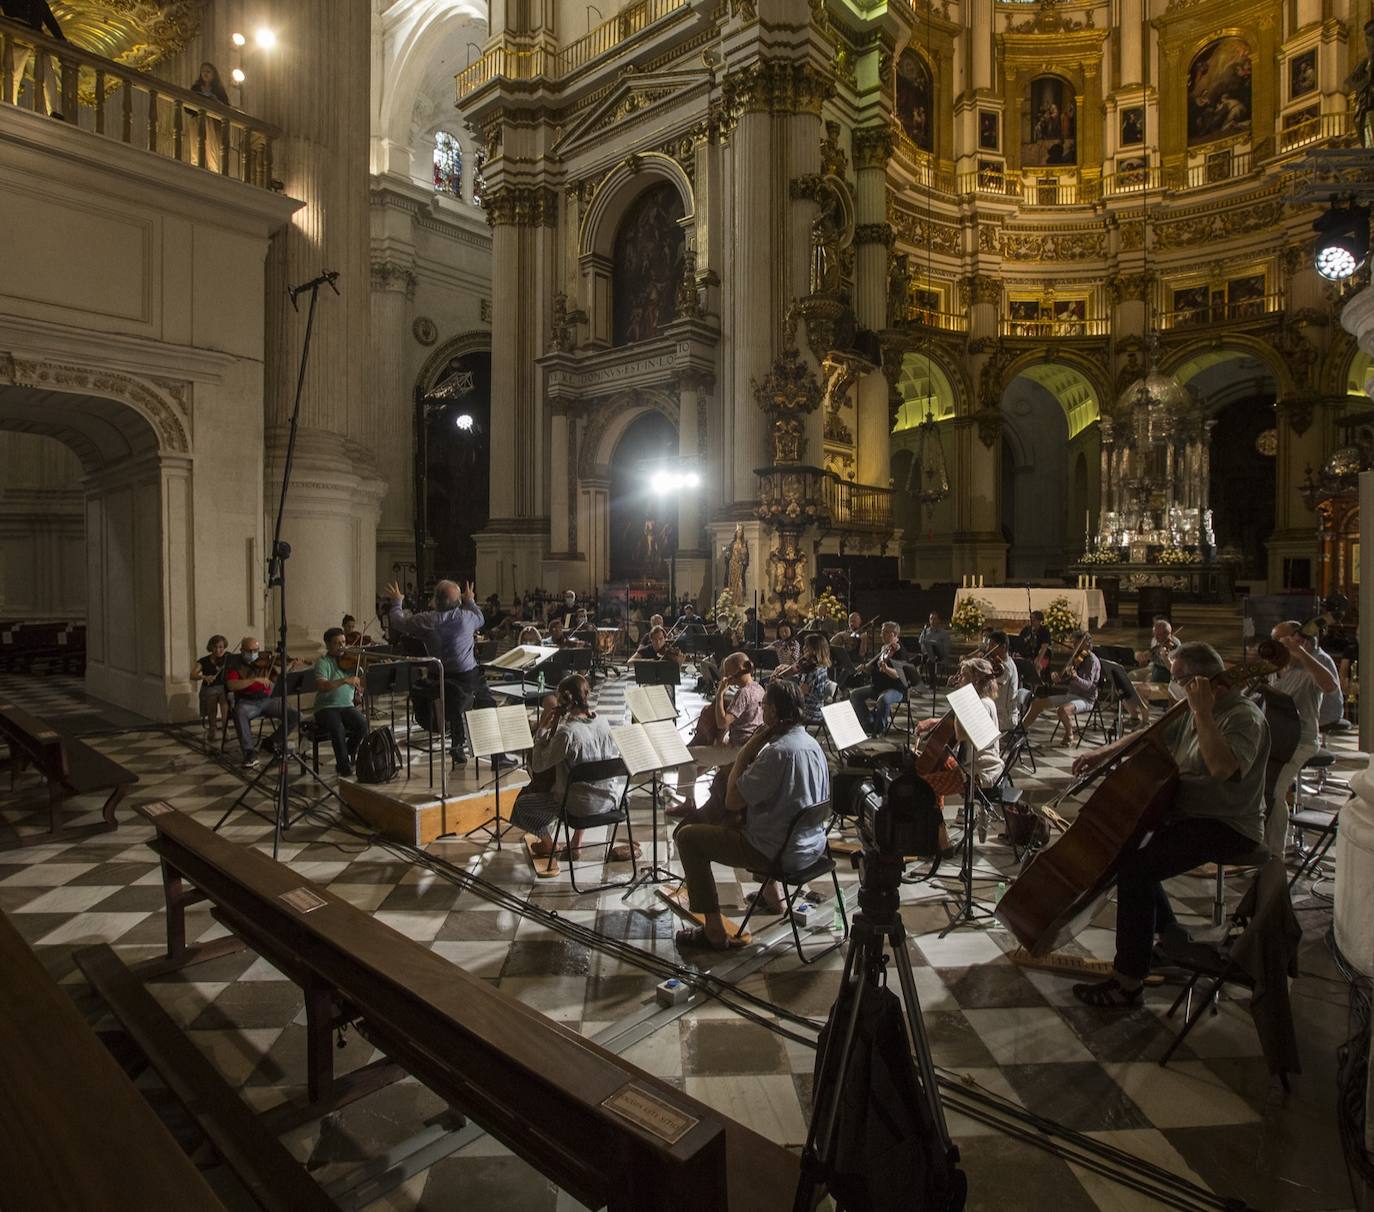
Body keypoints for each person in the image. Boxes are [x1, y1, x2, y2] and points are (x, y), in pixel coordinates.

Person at [1070, 643, 1270, 1008]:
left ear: (1202, 682)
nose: (1175, 686)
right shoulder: (1192, 709)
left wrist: (1203, 713)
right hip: (1187, 813)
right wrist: (1103, 752)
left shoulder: (1243, 717)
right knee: (1128, 853)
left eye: (1180, 679)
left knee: (1136, 872)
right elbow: (1152, 734)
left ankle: (1128, 982)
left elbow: (1222, 769)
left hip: (1226, 822)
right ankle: (1170, 936)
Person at [674, 680, 830, 950]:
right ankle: (774, 898)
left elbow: (732, 801)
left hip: (780, 853)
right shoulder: (812, 744)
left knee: (688, 838)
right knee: (759, 815)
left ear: (772, 712)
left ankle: (712, 932)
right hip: (813, 846)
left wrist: (748, 748)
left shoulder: (778, 753)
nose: (761, 708)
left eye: (764, 704)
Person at [510, 673, 628, 860]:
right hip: (609, 799)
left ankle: (549, 845)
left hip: (578, 806)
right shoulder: (603, 722)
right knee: (581, 784)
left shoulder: (567, 733)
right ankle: (576, 843)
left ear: (564, 699)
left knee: (521, 806)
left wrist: (541, 730)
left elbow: (539, 765)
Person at [383, 578, 498, 767]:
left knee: (455, 706)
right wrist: (471, 600)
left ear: (435, 600)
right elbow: (481, 619)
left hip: (440, 678)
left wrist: (397, 600)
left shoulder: (426, 620)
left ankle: (458, 748)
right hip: (466, 677)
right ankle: (497, 757)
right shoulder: (466, 617)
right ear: (458, 602)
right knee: (488, 704)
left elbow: (397, 621)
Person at [1262, 621, 1339, 853]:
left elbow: (1330, 686)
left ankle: (1274, 854)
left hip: (1302, 740)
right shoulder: (1277, 667)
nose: (1275, 646)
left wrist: (1301, 653)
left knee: (1275, 792)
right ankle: (1255, 839)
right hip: (1276, 738)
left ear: (1298, 640)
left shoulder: (1312, 664)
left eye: (1280, 640)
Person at [671, 651, 765, 819]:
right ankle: (691, 787)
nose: (727, 676)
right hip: (749, 746)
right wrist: (722, 738)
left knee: (688, 755)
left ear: (739, 669)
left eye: (728, 671)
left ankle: (688, 803)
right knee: (708, 754)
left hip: (737, 750)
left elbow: (722, 722)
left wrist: (720, 694)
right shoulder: (759, 688)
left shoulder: (743, 693)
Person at [916, 657, 1003, 797]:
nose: (959, 678)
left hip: (980, 772)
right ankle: (936, 816)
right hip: (969, 765)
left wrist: (960, 700)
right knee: (936, 766)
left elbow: (961, 734)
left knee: (923, 786)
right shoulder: (980, 701)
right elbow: (963, 724)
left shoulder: (982, 704)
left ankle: (933, 817)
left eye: (963, 675)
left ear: (975, 679)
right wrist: (934, 722)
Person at [225, 637, 299, 768]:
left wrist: (290, 668)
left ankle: (272, 742)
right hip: (248, 702)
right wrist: (254, 680)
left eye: (256, 650)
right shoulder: (235, 664)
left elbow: (278, 682)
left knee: (295, 715)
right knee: (239, 712)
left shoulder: (266, 661)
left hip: (269, 699)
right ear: (242, 650)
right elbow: (232, 685)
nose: (253, 653)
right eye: (249, 651)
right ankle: (249, 752)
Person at [1017, 630, 1100, 746]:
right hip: (1071, 695)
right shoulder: (1078, 657)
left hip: (1086, 698)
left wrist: (1075, 678)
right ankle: (1020, 730)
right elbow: (1070, 680)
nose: (1074, 646)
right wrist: (1059, 679)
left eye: (1076, 643)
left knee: (1062, 710)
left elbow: (1089, 686)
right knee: (1037, 704)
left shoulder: (1092, 661)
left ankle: (1070, 734)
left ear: (1086, 643)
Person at [313, 628, 367, 777]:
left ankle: (347, 753)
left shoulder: (352, 661)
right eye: (336, 643)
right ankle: (344, 767)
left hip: (347, 706)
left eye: (343, 642)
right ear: (328, 645)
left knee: (362, 725)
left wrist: (372, 670)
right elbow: (322, 686)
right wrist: (344, 680)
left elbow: (363, 682)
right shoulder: (323, 662)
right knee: (338, 729)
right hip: (326, 707)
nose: (341, 646)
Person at [847, 621, 909, 735]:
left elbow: (897, 675)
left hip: (896, 689)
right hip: (878, 686)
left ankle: (879, 728)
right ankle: (868, 722)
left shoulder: (900, 652)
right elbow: (874, 668)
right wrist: (865, 668)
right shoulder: (884, 649)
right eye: (881, 632)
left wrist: (886, 669)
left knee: (883, 699)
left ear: (894, 634)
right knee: (854, 694)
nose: (881, 635)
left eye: (884, 632)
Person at [1, 0, 64, 112]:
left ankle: (53, 110)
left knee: (47, 73)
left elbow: (52, 23)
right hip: (18, 35)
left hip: (37, 39)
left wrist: (63, 40)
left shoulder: (40, 3)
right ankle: (9, 103)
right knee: (14, 72)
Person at [780, 633, 832, 723]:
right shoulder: (822, 667)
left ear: (815, 650)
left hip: (810, 712)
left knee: (779, 709)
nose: (803, 648)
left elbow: (801, 694)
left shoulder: (813, 670)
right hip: (818, 710)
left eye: (806, 646)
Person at [191, 634, 230, 751]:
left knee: (225, 697)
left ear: (224, 647)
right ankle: (213, 727)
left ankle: (225, 726)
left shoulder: (228, 657)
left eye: (221, 647)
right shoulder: (204, 661)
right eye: (215, 647)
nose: (218, 650)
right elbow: (192, 675)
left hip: (223, 687)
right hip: (210, 688)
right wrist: (205, 677)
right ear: (211, 647)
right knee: (212, 696)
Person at [984, 630, 1020, 731]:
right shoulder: (998, 663)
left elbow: (991, 690)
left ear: (1003, 647)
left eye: (992, 645)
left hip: (1003, 718)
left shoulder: (1006, 667)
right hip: (995, 711)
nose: (988, 648)